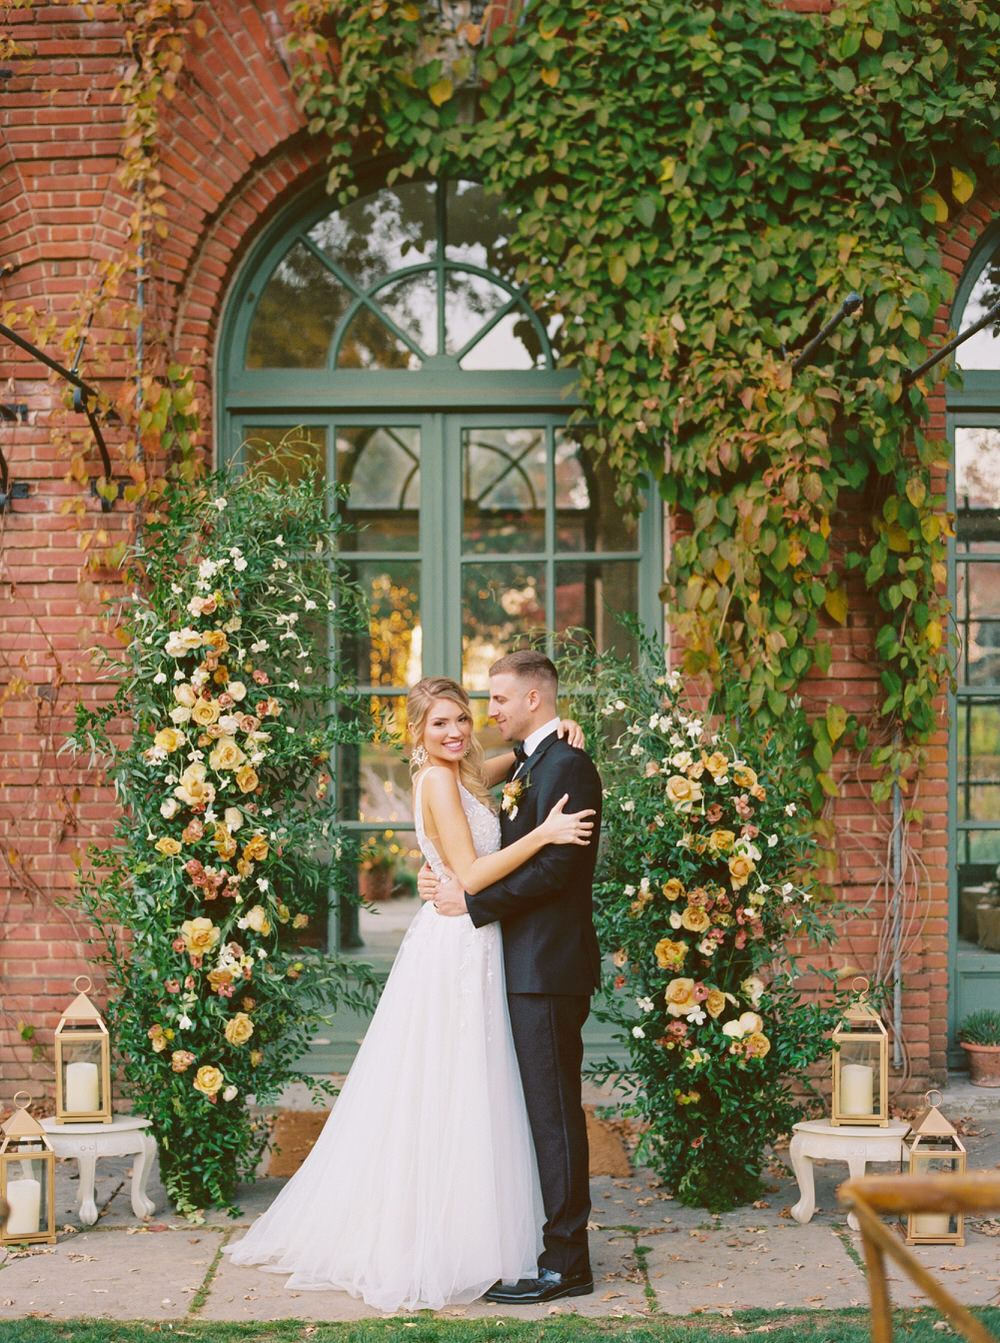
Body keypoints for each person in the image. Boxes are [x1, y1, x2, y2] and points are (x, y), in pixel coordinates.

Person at [224, 675, 595, 1313]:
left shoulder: (466, 768)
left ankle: (479, 1235)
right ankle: (434, 1239)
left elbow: (513, 767)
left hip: (480, 943)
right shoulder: (434, 780)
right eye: (439, 724)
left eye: (462, 718)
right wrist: (542, 835)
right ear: (416, 733)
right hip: (457, 945)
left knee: (474, 1089)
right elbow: (475, 871)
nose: (455, 731)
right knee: (448, 1087)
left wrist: (556, 735)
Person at [419, 649, 602, 1305]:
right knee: (539, 1114)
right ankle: (549, 1245)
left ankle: (567, 1262)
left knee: (554, 1116)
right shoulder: (533, 763)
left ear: (534, 698)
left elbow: (557, 869)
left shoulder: (568, 766)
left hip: (548, 967)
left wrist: (471, 904)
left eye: (497, 699)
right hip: (523, 963)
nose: (486, 712)